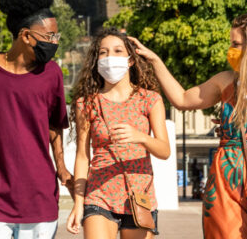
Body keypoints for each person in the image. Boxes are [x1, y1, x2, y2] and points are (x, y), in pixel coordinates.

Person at [131, 14, 247, 239]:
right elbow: (181, 99)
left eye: (236, 44)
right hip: (224, 177)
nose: (231, 50)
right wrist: (155, 61)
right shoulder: (226, 80)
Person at [0, 0, 73, 239]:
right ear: (25, 36)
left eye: (56, 37)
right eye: (49, 37)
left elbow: (55, 124)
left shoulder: (52, 74)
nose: (54, 42)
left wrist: (61, 166)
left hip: (39, 197)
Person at [66, 28, 170, 238]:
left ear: (130, 60)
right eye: (103, 52)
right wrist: (78, 204)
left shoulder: (150, 99)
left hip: (139, 196)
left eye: (117, 51)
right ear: (97, 60)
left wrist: (140, 137)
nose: (109, 57)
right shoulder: (86, 103)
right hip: (98, 195)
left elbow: (164, 151)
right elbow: (82, 157)